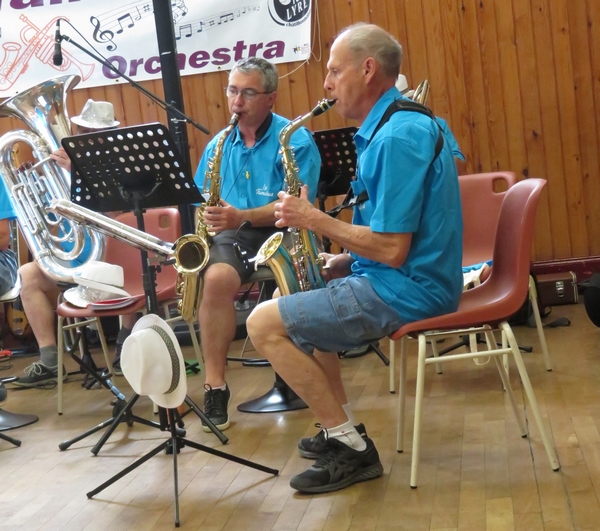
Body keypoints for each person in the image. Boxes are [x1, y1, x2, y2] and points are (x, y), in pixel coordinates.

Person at [246, 23, 464, 494]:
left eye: (333, 70)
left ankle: (352, 448)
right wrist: (343, 262)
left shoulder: (395, 139)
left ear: (368, 70)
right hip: (403, 277)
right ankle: (337, 429)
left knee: (262, 324)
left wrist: (313, 218)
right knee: (314, 312)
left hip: (409, 290)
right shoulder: (402, 124)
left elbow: (391, 248)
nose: (326, 84)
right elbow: (406, 233)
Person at [194, 57, 321, 431]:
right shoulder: (219, 145)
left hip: (286, 227)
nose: (237, 101)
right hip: (237, 232)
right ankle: (215, 385)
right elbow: (204, 196)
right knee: (215, 280)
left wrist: (241, 216)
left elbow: (299, 206)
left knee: (285, 287)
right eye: (233, 90)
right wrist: (212, 216)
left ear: (270, 98)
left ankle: (296, 378)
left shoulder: (294, 138)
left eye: (248, 92)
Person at [14, 100, 138, 387]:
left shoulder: (121, 167)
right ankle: (49, 359)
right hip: (76, 259)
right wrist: (35, 182)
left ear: (107, 136)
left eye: (90, 133)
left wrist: (80, 173)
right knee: (28, 274)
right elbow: (54, 224)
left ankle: (125, 341)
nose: (81, 138)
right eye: (80, 130)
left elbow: (119, 221)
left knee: (132, 255)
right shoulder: (64, 170)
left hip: (112, 259)